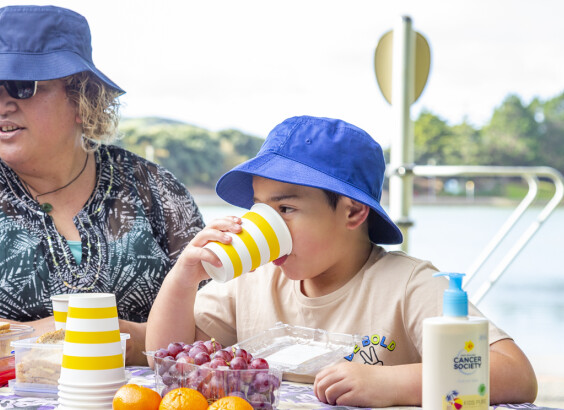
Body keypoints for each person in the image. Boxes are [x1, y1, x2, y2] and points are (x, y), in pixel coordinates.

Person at [146, 115, 537, 407]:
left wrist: (395, 384)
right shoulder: (252, 280)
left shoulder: (407, 284)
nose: (264, 225)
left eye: (285, 209)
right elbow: (167, 360)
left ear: (352, 212)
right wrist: (183, 278)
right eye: (258, 208)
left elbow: (515, 373)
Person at [0, 5, 205, 365]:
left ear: (83, 97)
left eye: (22, 86)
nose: (4, 104)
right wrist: (71, 333)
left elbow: (215, 323)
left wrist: (114, 337)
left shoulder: (154, 189)